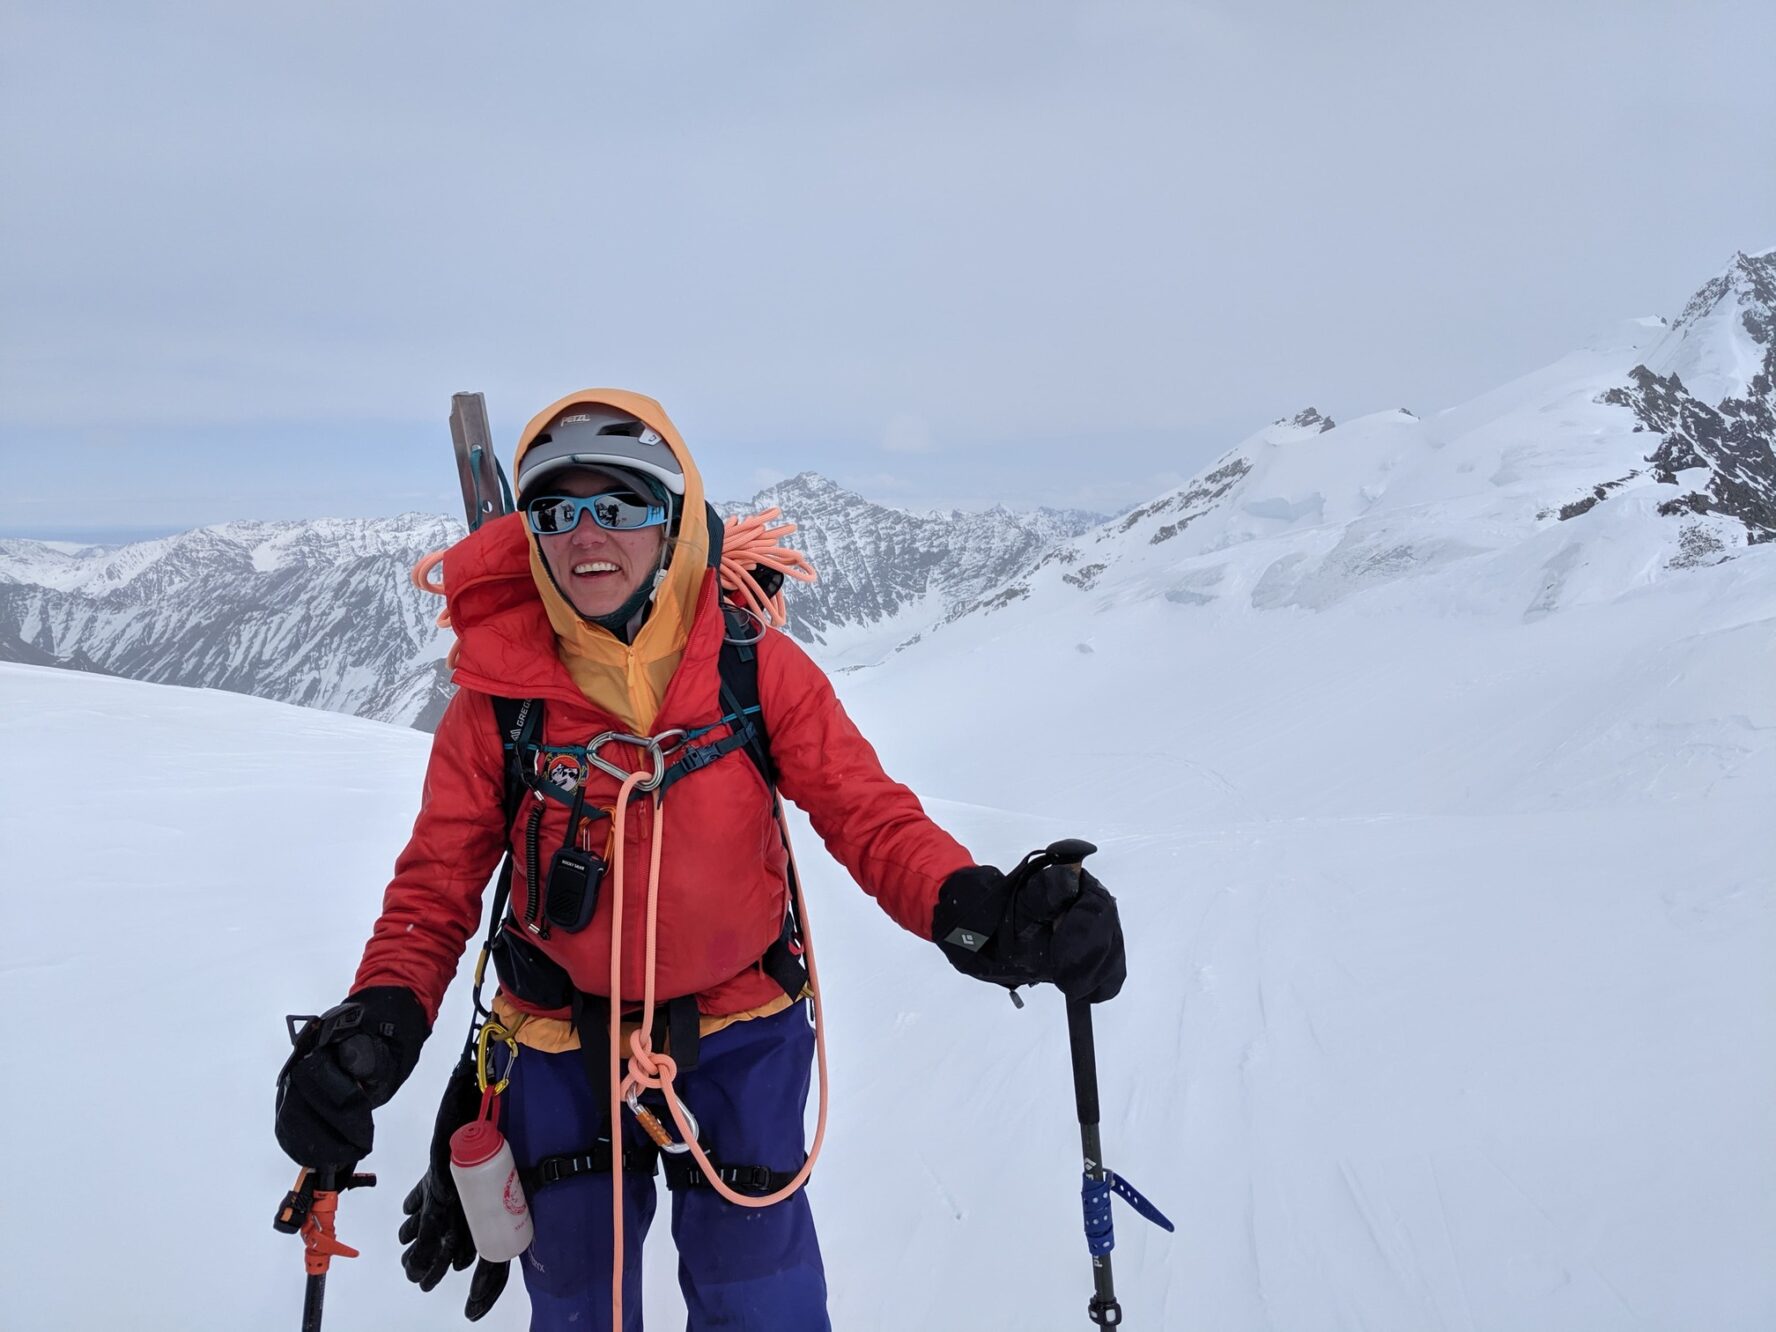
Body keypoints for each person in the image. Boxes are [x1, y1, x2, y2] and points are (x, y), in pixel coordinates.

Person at [274, 388, 1127, 1331]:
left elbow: (868, 814)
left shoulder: (751, 668)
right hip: (559, 1045)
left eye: (620, 503)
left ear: (673, 520)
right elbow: (436, 887)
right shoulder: (499, 701)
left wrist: (976, 910)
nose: (585, 534)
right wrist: (380, 1017)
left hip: (739, 1030)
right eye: (556, 511)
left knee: (763, 1301)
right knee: (578, 1308)